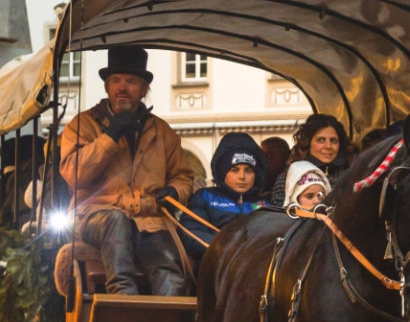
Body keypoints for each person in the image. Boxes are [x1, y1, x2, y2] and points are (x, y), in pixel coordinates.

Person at [59, 46, 196, 295]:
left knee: (171, 278)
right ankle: (123, 309)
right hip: (94, 213)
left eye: (131, 81)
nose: (122, 87)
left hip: (149, 219)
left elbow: (184, 176)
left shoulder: (162, 131)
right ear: (107, 87)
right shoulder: (82, 125)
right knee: (116, 221)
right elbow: (73, 175)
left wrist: (174, 192)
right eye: (115, 80)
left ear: (144, 89)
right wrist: (110, 136)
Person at [179, 132, 267, 261]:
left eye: (248, 170)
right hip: (214, 268)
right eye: (235, 170)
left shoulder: (266, 206)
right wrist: (228, 245)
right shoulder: (205, 197)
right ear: (223, 172)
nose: (242, 177)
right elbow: (190, 233)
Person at [269, 114, 350, 206]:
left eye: (333, 140)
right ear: (308, 142)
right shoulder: (289, 177)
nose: (328, 146)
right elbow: (276, 215)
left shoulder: (350, 176)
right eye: (321, 140)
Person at [259, 136, 291, 202]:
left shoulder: (286, 179)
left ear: (284, 155)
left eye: (269, 155)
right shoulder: (267, 177)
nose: (265, 160)